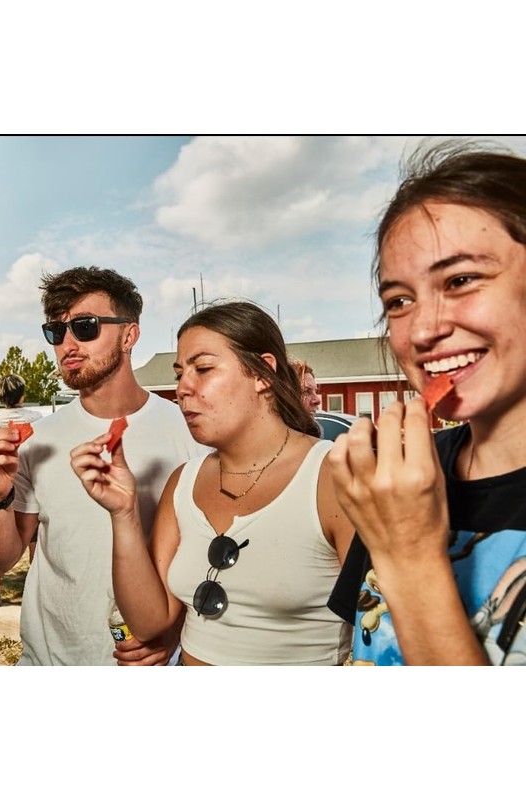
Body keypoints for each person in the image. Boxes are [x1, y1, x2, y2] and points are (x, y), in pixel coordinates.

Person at [327, 140, 526, 665]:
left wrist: (410, 557)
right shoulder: (403, 478)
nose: (423, 329)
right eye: (399, 300)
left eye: (461, 280)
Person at [70, 300, 355, 665]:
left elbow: (384, 629)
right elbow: (149, 622)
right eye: (179, 374)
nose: (182, 389)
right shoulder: (183, 483)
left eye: (203, 368)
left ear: (262, 374)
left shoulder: (332, 477)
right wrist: (123, 512)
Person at [0, 266, 206, 665]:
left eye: (85, 327)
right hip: (50, 659)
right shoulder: (38, 441)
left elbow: (208, 557)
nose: (67, 344)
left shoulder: (188, 432)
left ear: (129, 335)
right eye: (56, 331)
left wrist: (173, 630)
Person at [0, 373, 44, 569]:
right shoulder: (36, 417)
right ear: (22, 395)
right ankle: (33, 575)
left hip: (4, 479)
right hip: (32, 478)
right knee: (33, 531)